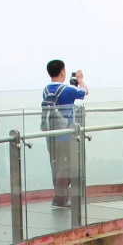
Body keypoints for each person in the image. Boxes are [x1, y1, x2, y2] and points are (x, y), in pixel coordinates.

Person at [40, 60, 88, 210]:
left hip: (51, 135)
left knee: (56, 165)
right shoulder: (67, 90)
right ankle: (60, 198)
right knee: (66, 166)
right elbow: (84, 92)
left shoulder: (46, 90)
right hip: (66, 136)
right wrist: (80, 80)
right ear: (63, 72)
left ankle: (60, 195)